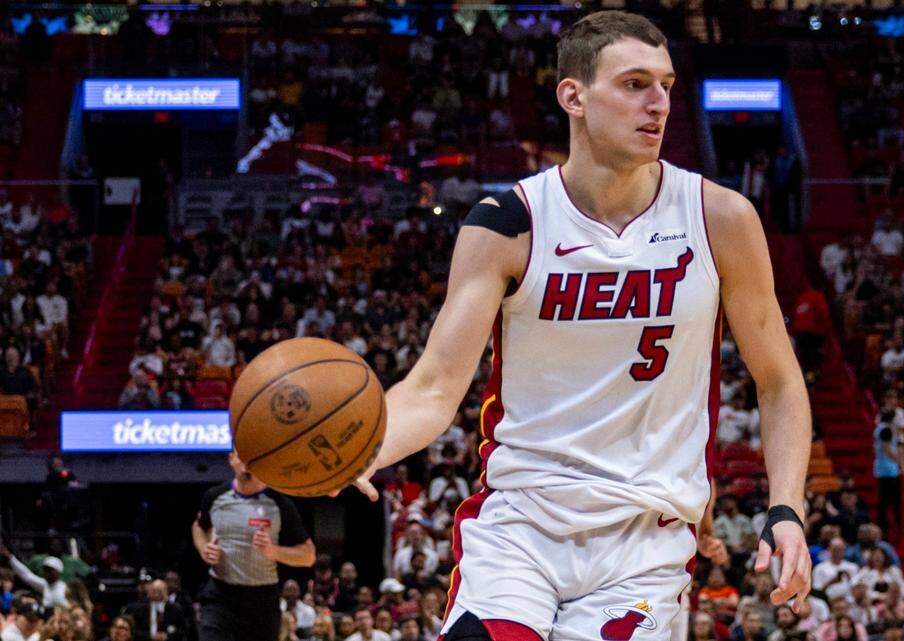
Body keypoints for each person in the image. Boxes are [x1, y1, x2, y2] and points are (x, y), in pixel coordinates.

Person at [335, 11, 812, 641]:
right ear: (573, 96)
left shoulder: (720, 217)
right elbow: (432, 389)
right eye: (635, 83)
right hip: (521, 526)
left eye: (666, 85)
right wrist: (368, 446)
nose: (659, 103)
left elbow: (779, 382)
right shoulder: (507, 222)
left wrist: (787, 510)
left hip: (646, 539)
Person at [191, 452, 316, 641]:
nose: (248, 462)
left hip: (262, 598)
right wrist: (204, 548)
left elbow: (308, 556)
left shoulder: (280, 504)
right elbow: (199, 527)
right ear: (232, 459)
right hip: (220, 594)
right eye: (243, 455)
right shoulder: (214, 496)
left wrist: (273, 551)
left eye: (254, 456)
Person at [0, 545, 67, 610]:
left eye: (50, 570)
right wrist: (10, 558)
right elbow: (27, 575)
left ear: (58, 572)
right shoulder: (44, 585)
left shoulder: (64, 588)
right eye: (45, 570)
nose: (47, 573)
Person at [122, 579, 188, 641]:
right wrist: (149, 636)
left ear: (166, 591)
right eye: (154, 590)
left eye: (160, 590)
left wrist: (166, 636)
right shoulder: (139, 608)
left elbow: (183, 631)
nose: (157, 593)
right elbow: (133, 630)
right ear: (148, 592)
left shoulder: (175, 609)